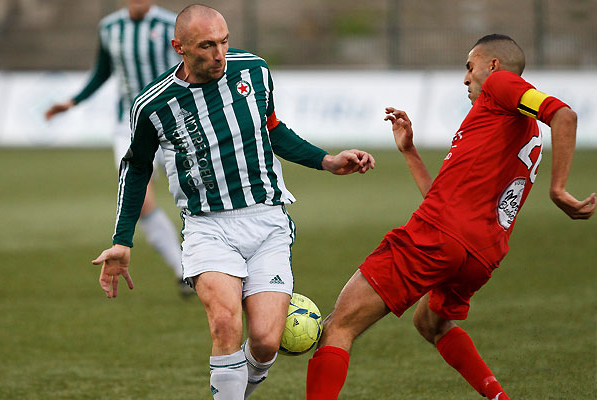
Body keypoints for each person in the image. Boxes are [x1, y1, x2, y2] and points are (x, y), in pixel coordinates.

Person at [91, 4, 375, 400]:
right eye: (206, 45)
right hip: (208, 226)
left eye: (224, 42)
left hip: (267, 221)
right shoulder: (153, 105)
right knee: (225, 324)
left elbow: (272, 129)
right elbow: (136, 168)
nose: (219, 53)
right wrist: (122, 239)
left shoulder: (254, 71)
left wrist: (326, 160)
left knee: (265, 342)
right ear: (180, 47)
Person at [305, 34, 596, 400]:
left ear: (492, 66)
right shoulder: (514, 128)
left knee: (338, 326)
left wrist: (559, 189)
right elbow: (441, 195)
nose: (465, 78)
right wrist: (409, 151)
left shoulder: (501, 85)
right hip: (480, 256)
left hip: (438, 237)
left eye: (469, 67)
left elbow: (563, 114)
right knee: (431, 324)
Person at [44, 0, 190, 296]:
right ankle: (183, 272)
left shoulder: (170, 25)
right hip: (128, 124)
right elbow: (102, 71)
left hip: (173, 120)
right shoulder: (109, 27)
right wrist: (73, 102)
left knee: (193, 193)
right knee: (143, 201)